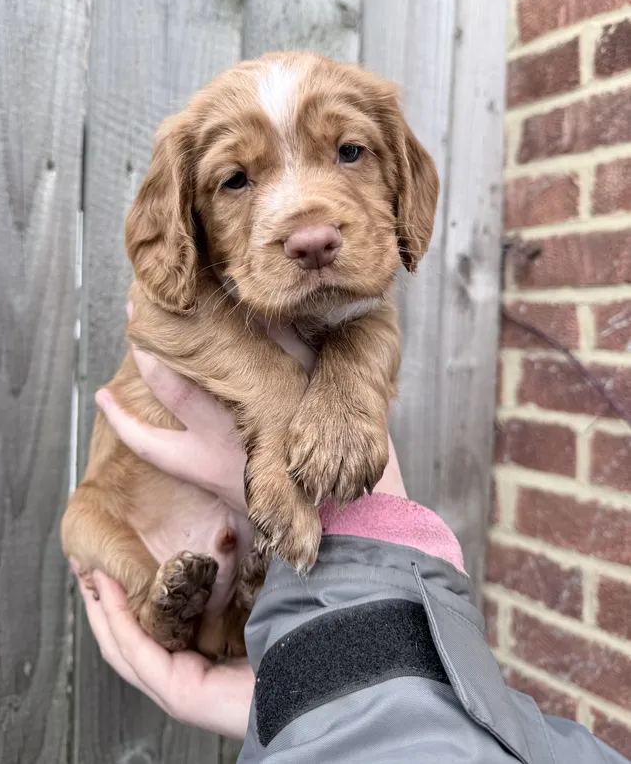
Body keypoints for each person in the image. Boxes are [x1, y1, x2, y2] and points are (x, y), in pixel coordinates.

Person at [73, 316, 628, 763]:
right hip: (158, 537)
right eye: (239, 182)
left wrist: (306, 696)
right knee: (88, 530)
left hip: (260, 604)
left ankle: (223, 598)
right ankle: (176, 607)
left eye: (351, 165)